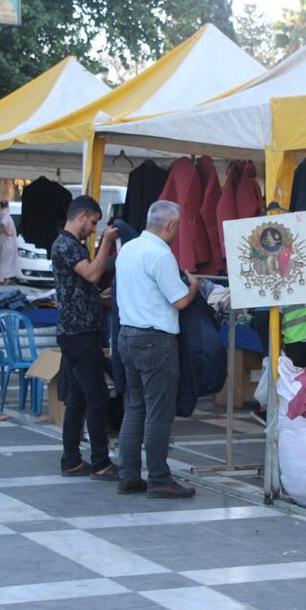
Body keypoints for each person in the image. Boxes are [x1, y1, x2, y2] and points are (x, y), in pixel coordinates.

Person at [116, 200, 200, 498]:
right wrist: (193, 284)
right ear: (171, 226)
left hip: (127, 335)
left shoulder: (128, 249)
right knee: (158, 412)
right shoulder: (161, 254)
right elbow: (180, 300)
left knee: (134, 408)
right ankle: (159, 478)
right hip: (155, 339)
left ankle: (128, 475)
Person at [51, 195, 119, 481]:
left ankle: (71, 460)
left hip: (77, 332)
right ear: (81, 216)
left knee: (78, 398)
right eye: (92, 223)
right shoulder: (66, 244)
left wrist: (97, 297)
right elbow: (91, 274)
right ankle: (101, 462)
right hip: (79, 334)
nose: (93, 229)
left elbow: (82, 284)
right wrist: (105, 243)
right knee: (97, 396)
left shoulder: (70, 244)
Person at [0, 199, 21, 285]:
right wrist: (8, 232)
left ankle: (4, 278)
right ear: (8, 206)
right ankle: (2, 279)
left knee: (4, 259)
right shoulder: (5, 215)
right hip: (7, 240)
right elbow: (3, 224)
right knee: (6, 260)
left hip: (1, 239)